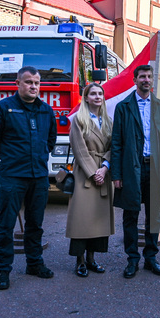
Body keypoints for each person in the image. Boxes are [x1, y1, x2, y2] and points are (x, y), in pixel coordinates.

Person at [0, 66, 57, 290]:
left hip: (39, 176)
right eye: (28, 82)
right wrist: (11, 157)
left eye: (36, 83)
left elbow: (51, 139)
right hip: (13, 176)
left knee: (35, 223)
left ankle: (34, 263)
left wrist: (40, 156)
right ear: (17, 83)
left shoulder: (46, 110)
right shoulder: (3, 109)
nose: (33, 86)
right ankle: (3, 270)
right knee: (6, 225)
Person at [111, 64, 160, 279]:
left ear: (152, 80)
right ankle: (132, 260)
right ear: (135, 80)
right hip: (131, 168)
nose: (146, 79)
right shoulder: (123, 106)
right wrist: (116, 174)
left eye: (149, 76)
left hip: (155, 168)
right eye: (142, 76)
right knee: (130, 215)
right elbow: (116, 142)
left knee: (154, 215)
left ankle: (151, 258)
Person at [65, 83, 114, 277]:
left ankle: (92, 259)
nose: (97, 96)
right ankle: (80, 261)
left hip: (104, 171)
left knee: (97, 220)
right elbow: (79, 149)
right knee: (82, 218)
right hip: (85, 174)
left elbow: (113, 146)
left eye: (100, 93)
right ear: (86, 98)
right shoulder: (79, 120)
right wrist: (94, 173)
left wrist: (105, 168)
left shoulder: (108, 120)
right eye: (93, 93)